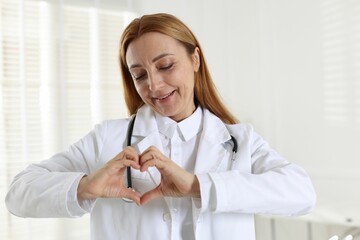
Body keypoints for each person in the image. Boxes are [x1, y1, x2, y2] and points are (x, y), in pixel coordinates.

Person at [5, 13, 316, 240]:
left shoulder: (239, 140)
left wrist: (197, 186)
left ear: (195, 59)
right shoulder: (107, 140)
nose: (154, 85)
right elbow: (18, 193)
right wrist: (86, 186)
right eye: (139, 75)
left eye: (165, 66)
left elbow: (302, 193)